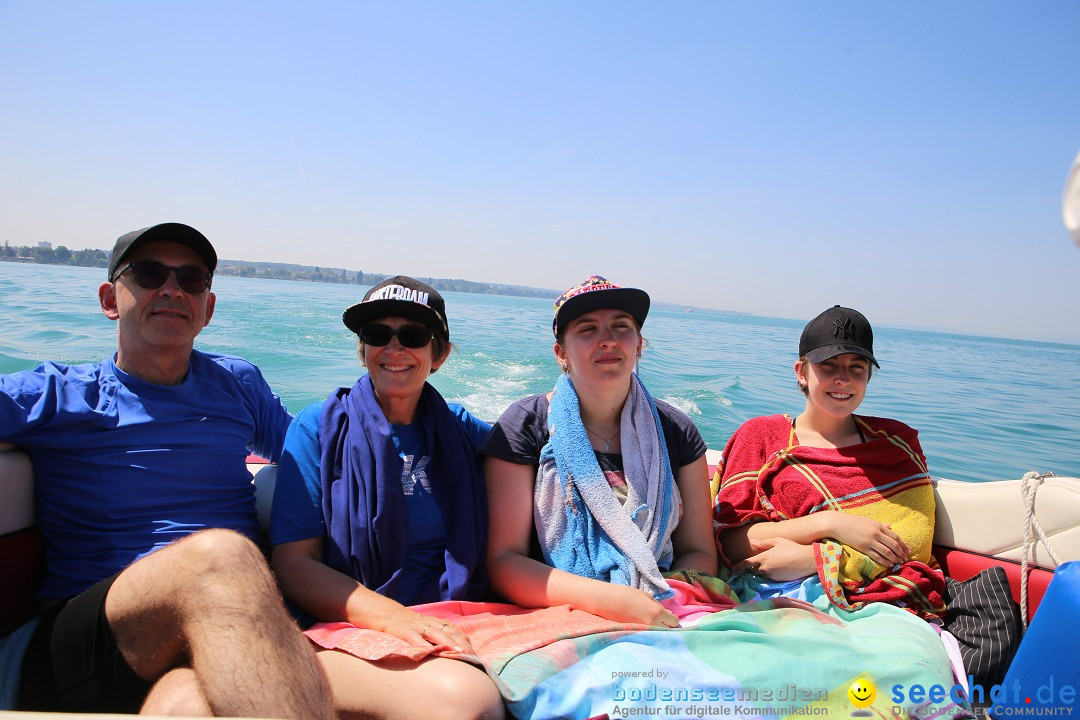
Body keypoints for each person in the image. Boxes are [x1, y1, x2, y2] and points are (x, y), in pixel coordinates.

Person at [0, 222, 333, 717]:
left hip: (219, 627)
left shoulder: (238, 384)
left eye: (192, 280)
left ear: (208, 308)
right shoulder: (57, 395)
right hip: (84, 642)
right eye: (150, 274)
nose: (172, 289)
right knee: (221, 556)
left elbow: (313, 458)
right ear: (110, 299)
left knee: (190, 703)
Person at [270, 276, 503, 720]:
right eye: (377, 335)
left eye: (413, 336)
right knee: (468, 705)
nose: (393, 349)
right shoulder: (317, 428)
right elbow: (294, 563)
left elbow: (535, 451)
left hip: (459, 612)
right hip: (349, 624)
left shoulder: (460, 429)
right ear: (362, 350)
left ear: (440, 355)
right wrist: (394, 619)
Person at [481, 275, 717, 628]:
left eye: (621, 327)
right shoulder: (526, 425)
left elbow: (698, 551)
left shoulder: (676, 430)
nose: (607, 340)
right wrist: (612, 601)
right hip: (555, 610)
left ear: (639, 345)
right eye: (587, 329)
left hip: (665, 603)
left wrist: (662, 597)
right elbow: (505, 561)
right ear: (561, 352)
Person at [713, 304, 946, 618]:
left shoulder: (896, 443)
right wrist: (831, 523)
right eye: (828, 366)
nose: (843, 379)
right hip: (772, 596)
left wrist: (819, 559)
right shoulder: (761, 437)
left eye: (857, 367)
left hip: (879, 603)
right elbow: (733, 542)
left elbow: (913, 541)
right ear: (802, 372)